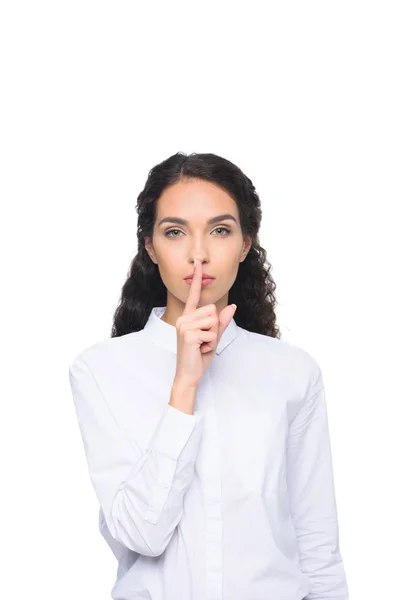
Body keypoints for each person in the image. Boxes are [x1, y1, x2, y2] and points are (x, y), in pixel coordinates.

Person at [68, 151, 349, 600]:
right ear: (149, 247)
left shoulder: (293, 373)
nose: (198, 254)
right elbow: (142, 534)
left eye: (220, 230)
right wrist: (184, 386)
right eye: (175, 232)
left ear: (244, 244)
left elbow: (317, 546)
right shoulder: (101, 370)